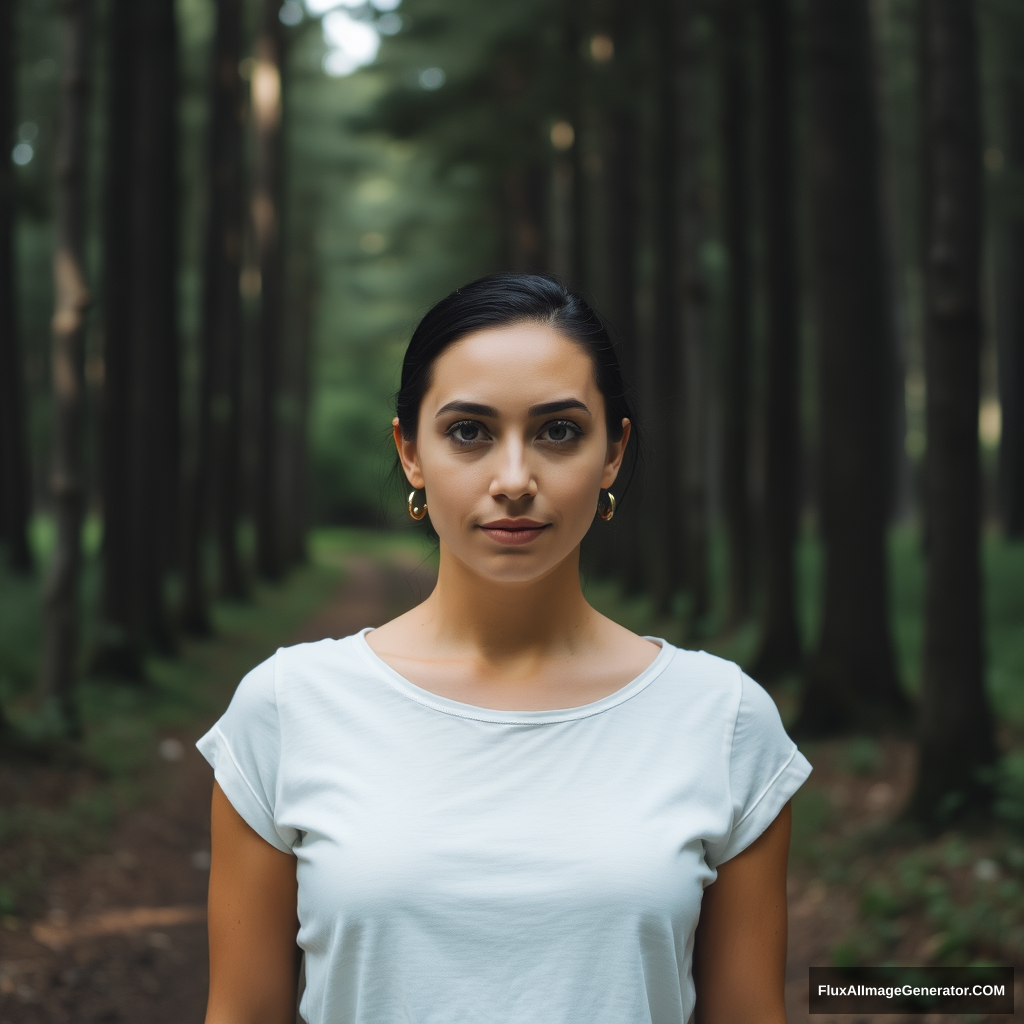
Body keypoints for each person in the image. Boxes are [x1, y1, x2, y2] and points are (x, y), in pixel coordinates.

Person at [198, 274, 812, 1024]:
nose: (515, 480)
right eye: (469, 432)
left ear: (613, 452)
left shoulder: (724, 721)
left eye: (558, 431)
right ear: (410, 451)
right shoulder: (287, 708)